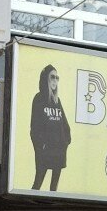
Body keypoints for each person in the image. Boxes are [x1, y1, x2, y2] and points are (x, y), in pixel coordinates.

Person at [30, 64, 71, 192]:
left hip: (59, 150)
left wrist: (66, 142)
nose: (55, 80)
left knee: (54, 188)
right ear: (45, 78)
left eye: (57, 78)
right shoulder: (38, 98)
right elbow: (34, 127)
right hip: (45, 151)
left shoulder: (57, 101)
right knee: (37, 183)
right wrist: (40, 146)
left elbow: (65, 124)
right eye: (52, 77)